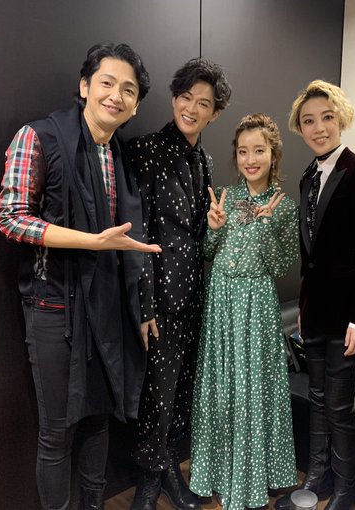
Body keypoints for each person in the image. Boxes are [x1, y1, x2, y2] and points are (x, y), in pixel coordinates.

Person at [0, 43, 160, 510]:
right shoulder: (38, 136)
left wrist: (142, 308)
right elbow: (11, 217)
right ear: (85, 86)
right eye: (107, 83)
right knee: (56, 432)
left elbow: (132, 241)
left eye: (128, 90)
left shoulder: (120, 156)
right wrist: (91, 242)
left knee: (99, 418)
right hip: (53, 307)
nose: (116, 96)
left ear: (136, 105)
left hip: (107, 306)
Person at [127, 58, 231, 510]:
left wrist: (216, 227)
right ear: (173, 99)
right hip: (161, 300)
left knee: (183, 393)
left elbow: (199, 237)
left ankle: (171, 469)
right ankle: (149, 482)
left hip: (195, 298)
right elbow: (138, 233)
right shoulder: (145, 150)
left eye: (203, 103)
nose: (191, 108)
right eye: (185, 97)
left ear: (215, 113)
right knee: (157, 396)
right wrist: (146, 306)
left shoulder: (205, 160)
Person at [275, 80, 355, 510]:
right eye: (308, 121)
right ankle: (318, 478)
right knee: (318, 402)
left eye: (326, 117)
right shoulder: (307, 176)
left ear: (341, 119)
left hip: (347, 317)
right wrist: (303, 307)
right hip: (315, 314)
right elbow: (310, 257)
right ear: (299, 128)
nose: (318, 128)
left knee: (338, 407)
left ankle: (345, 488)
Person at [189, 113, 299, 510]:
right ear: (235, 156)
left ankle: (254, 477)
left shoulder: (284, 207)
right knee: (220, 388)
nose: (251, 159)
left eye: (259, 151)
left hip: (256, 305)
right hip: (221, 300)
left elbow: (282, 265)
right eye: (243, 152)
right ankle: (215, 473)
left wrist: (267, 226)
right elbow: (207, 252)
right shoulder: (225, 196)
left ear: (273, 154)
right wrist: (213, 227)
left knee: (252, 389)